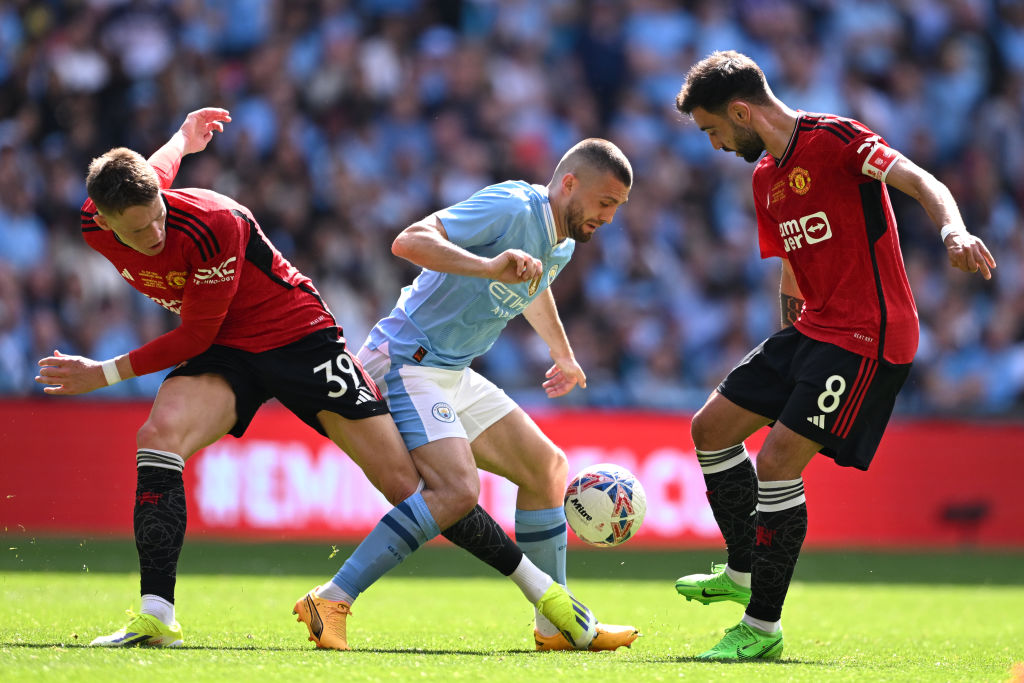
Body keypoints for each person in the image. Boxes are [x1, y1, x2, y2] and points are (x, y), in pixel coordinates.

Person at [36, 109, 616, 652]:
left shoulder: (212, 221)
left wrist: (104, 373)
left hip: (297, 337)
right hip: (238, 346)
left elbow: (189, 331)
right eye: (137, 232)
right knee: (158, 439)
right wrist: (184, 139)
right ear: (103, 221)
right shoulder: (105, 218)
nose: (155, 236)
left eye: (159, 216)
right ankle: (156, 613)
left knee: (410, 485)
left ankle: (538, 597)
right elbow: (159, 171)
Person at [671, 50, 996, 661]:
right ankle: (742, 570)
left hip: (870, 334)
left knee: (776, 465)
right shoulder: (765, 177)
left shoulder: (839, 140)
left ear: (741, 111)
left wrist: (952, 228)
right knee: (710, 428)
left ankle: (761, 628)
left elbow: (923, 180)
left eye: (714, 130)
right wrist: (782, 352)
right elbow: (793, 264)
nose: (714, 144)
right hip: (815, 331)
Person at [339, 137, 638, 651]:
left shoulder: (561, 242)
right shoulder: (512, 205)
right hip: (408, 360)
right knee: (458, 491)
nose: (609, 218)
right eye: (605, 203)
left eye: (617, 208)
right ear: (569, 184)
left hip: (451, 371)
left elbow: (532, 289)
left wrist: (563, 355)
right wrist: (488, 265)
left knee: (547, 468)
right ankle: (334, 598)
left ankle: (558, 625)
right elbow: (409, 241)